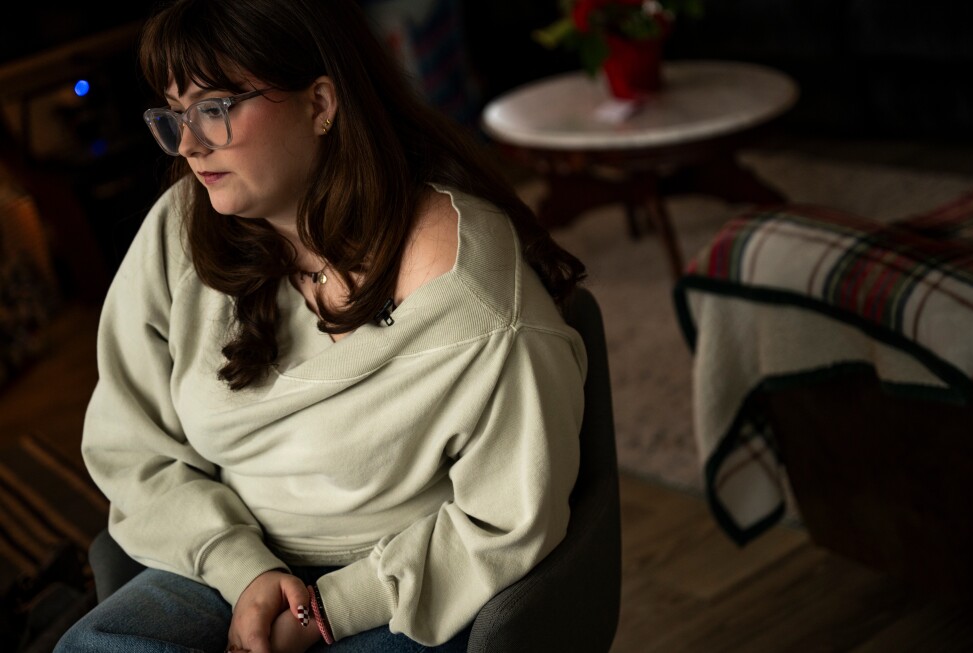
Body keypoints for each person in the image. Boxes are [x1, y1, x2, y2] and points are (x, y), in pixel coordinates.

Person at [55, 0, 588, 651]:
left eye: (214, 108)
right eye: (174, 114)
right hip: (228, 559)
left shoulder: (470, 294)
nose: (189, 145)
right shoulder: (181, 228)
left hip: (401, 582)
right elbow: (130, 445)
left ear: (320, 103)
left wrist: (326, 611)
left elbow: (507, 518)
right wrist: (244, 569)